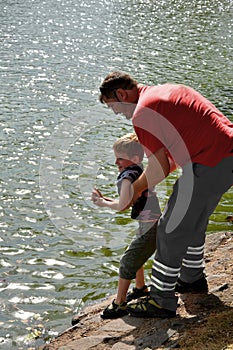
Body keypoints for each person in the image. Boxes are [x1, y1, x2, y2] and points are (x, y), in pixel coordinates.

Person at [98, 71, 233, 318]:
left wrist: (133, 190)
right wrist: (143, 186)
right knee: (194, 221)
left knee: (169, 229)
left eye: (114, 107)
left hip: (208, 161)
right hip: (225, 156)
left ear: (121, 94)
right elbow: (169, 159)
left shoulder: (142, 112)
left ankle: (160, 300)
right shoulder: (166, 91)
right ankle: (191, 279)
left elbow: (158, 166)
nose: (118, 113)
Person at [92, 133, 161, 319]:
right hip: (150, 223)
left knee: (127, 262)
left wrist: (102, 203)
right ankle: (139, 288)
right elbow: (129, 200)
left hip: (150, 227)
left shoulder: (127, 177)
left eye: (120, 158)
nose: (116, 162)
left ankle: (119, 304)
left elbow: (122, 206)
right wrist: (107, 200)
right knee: (135, 254)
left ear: (135, 158)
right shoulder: (139, 171)